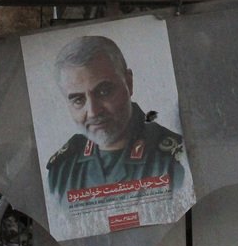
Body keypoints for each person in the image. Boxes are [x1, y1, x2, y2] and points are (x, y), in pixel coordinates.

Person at [45, 34, 186, 202]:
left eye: (104, 92)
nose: (93, 112)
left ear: (129, 83)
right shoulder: (61, 170)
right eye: (78, 100)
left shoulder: (177, 161)